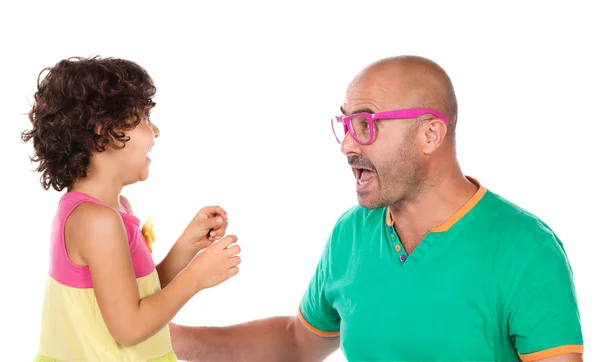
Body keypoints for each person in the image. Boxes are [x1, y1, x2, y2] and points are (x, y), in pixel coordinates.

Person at [170, 55, 584, 362]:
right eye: (346, 124)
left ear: (430, 134)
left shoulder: (526, 250)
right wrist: (160, 335)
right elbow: (297, 342)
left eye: (366, 124)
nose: (347, 144)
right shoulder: (352, 233)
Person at [22, 56, 241, 362]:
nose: (156, 132)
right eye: (144, 119)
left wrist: (185, 248)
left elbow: (135, 299)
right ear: (104, 132)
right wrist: (196, 278)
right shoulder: (96, 221)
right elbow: (129, 328)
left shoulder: (115, 210)